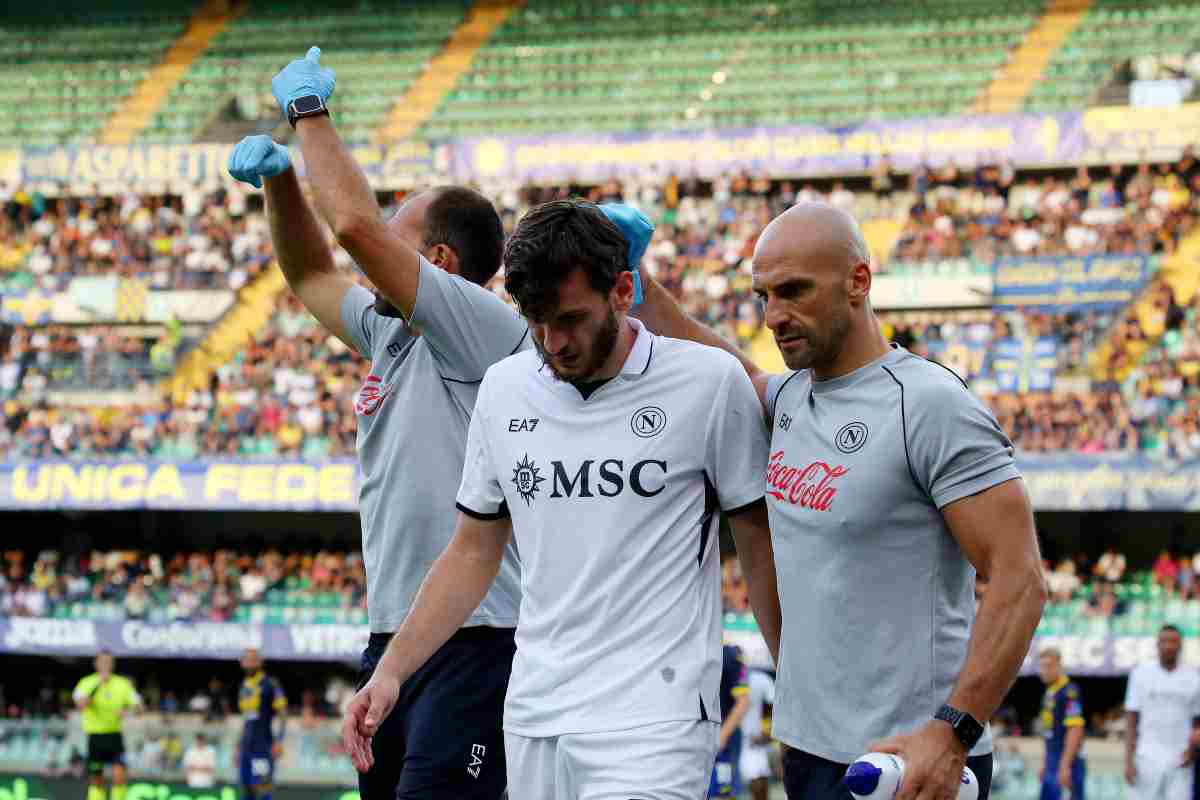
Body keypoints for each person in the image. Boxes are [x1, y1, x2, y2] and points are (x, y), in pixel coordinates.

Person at [344, 198, 780, 800]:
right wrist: (392, 671)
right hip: (535, 713)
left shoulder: (707, 383)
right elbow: (471, 554)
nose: (554, 343)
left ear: (623, 290)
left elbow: (759, 548)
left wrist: (794, 673)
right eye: (536, 321)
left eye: (572, 319)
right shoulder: (504, 387)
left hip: (658, 714)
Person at [632, 201, 1046, 799]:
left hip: (909, 762)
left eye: (794, 291)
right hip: (810, 751)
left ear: (859, 281)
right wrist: (636, 282)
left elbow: (1020, 579)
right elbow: (719, 364)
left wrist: (952, 734)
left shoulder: (929, 404)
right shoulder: (793, 397)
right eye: (763, 296)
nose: (774, 315)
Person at [229, 47, 536, 800]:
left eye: (397, 242)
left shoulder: (481, 326)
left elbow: (356, 229)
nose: (370, 263)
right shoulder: (392, 334)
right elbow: (310, 274)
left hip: (479, 639)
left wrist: (308, 113)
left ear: (437, 261)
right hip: (393, 641)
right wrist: (281, 184)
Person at [1125, 625, 1200, 800]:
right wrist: (1128, 760)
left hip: (1180, 759)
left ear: (1181, 645)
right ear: (1157, 644)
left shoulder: (1193, 677)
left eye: (1173, 641)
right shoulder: (1140, 674)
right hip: (1146, 757)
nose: (1169, 646)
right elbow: (1131, 719)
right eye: (1164, 641)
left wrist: (1192, 750)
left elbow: (1197, 720)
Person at [72, 651, 143, 800]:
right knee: (97, 781)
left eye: (109, 661)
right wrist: (98, 685)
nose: (106, 664)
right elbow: (80, 704)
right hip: (95, 737)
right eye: (102, 661)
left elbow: (139, 707)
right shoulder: (86, 682)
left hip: (114, 735)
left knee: (119, 776)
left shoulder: (122, 683)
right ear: (96, 663)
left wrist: (128, 711)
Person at [237, 649, 287, 800]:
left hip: (263, 747)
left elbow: (283, 715)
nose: (250, 663)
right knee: (246, 791)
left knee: (263, 790)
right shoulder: (243, 686)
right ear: (242, 662)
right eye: (247, 660)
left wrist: (279, 741)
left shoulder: (270, 684)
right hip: (246, 748)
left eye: (254, 660)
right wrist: (238, 745)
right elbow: (246, 720)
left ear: (260, 662)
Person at [1037, 648, 1086, 800]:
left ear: (1059, 666)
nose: (1043, 671)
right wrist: (1045, 763)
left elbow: (1075, 729)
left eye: (1048, 666)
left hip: (1067, 761)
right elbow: (1049, 733)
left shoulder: (1070, 691)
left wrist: (1065, 766)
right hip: (1052, 761)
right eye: (1041, 666)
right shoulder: (1049, 692)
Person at [710, 644, 751, 798]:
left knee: (724, 791)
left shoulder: (730, 655)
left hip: (725, 739)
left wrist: (722, 736)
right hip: (700, 736)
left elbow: (743, 702)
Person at [740, 667, 778, 800]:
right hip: (745, 738)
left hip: (750, 740)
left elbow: (773, 706)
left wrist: (768, 732)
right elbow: (773, 705)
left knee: (758, 776)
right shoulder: (761, 679)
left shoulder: (759, 679)